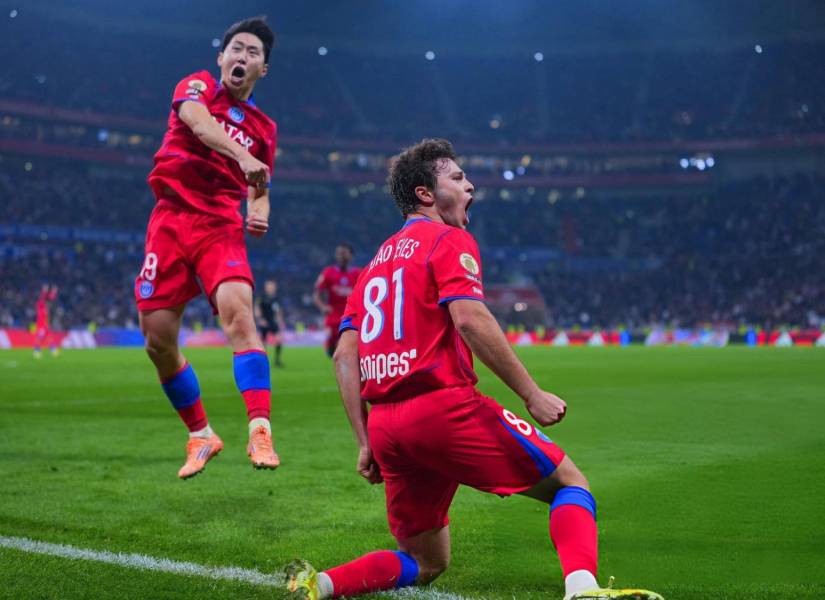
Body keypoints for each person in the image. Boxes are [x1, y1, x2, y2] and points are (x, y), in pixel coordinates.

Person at [286, 139, 662, 600]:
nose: (470, 186)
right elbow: (470, 319)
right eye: (458, 178)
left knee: (427, 562)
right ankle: (581, 589)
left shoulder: (372, 268)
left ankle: (321, 585)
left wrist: (364, 441)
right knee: (569, 483)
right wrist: (531, 393)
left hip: (386, 425)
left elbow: (346, 356)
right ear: (426, 194)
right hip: (442, 409)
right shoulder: (448, 239)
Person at [134, 16, 280, 479]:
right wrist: (242, 156)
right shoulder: (196, 85)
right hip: (170, 219)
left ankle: (260, 429)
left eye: (252, 52)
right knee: (157, 341)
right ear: (221, 58)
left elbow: (260, 183)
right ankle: (201, 434)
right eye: (235, 48)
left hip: (219, 223)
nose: (241, 56)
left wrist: (261, 208)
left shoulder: (264, 128)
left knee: (239, 315)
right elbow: (196, 123)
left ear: (263, 69)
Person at [312, 244, 361, 357]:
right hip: (332, 316)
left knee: (346, 349)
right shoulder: (328, 272)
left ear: (351, 256)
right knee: (331, 349)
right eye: (339, 253)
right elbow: (316, 294)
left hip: (350, 316)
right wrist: (322, 306)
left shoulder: (358, 273)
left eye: (344, 253)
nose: (341, 256)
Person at [256, 279, 285, 367]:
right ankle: (263, 361)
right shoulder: (261, 297)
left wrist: (280, 320)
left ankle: (277, 360)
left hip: (273, 321)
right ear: (266, 287)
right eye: (269, 286)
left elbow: (279, 311)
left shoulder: (277, 298)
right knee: (263, 342)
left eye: (272, 286)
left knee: (279, 339)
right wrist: (260, 319)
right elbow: (257, 309)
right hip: (264, 321)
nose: (271, 288)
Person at [33, 284, 58, 358]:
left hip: (45, 324)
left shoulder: (44, 305)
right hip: (41, 325)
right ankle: (36, 352)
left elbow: (50, 299)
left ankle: (53, 351)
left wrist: (53, 292)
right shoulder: (40, 304)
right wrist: (45, 291)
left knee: (49, 337)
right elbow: (44, 298)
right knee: (39, 338)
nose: (47, 303)